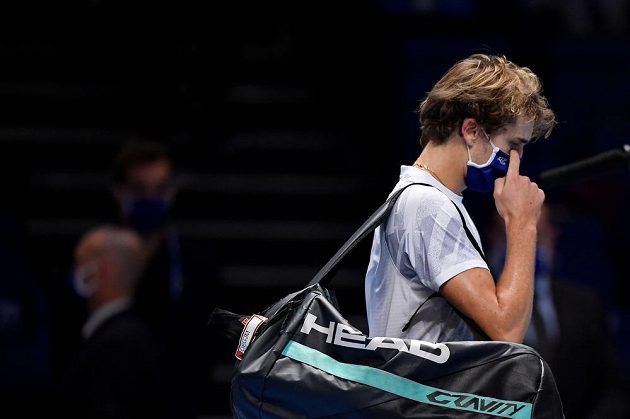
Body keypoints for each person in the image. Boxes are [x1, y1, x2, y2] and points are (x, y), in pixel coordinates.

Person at [365, 53, 557, 343]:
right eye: (513, 145)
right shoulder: (428, 206)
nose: (517, 160)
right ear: (471, 130)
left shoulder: (425, 198)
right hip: (418, 387)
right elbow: (506, 331)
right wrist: (523, 222)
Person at [486, 203, 630, 419]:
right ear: (492, 238)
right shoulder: (469, 310)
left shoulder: (586, 304)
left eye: (537, 236)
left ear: (553, 237)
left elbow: (614, 389)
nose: (526, 250)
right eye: (512, 238)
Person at [111, 139, 220, 418]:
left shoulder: (197, 265)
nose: (150, 200)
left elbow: (204, 346)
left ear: (172, 193)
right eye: (139, 190)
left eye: (159, 190)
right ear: (119, 193)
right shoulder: (95, 262)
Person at [56, 225, 168, 419]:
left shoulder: (117, 345)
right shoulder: (130, 335)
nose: (75, 272)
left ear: (103, 271)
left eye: (81, 263)